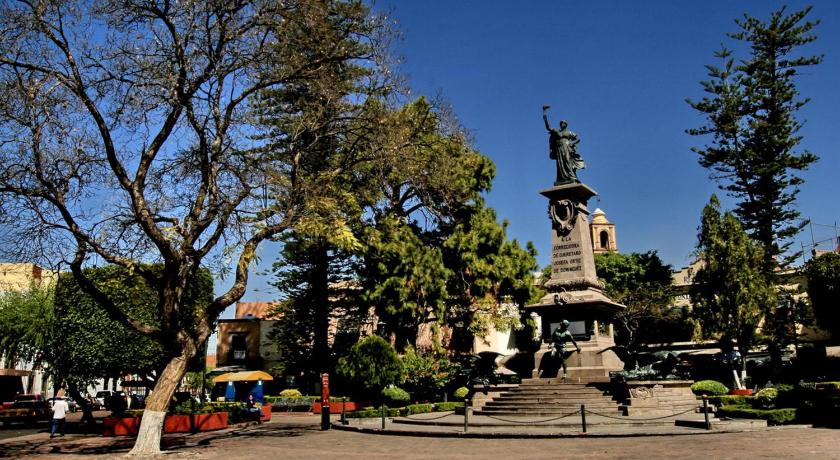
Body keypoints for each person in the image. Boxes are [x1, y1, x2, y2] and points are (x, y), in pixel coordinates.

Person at [542, 105, 584, 185]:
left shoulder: (569, 133)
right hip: (559, 149)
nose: (562, 124)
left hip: (566, 148)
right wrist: (544, 113)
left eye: (563, 123)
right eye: (561, 123)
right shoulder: (557, 132)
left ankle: (572, 177)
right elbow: (548, 127)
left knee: (567, 161)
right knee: (560, 164)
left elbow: (578, 139)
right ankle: (561, 179)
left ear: (566, 124)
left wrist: (571, 143)